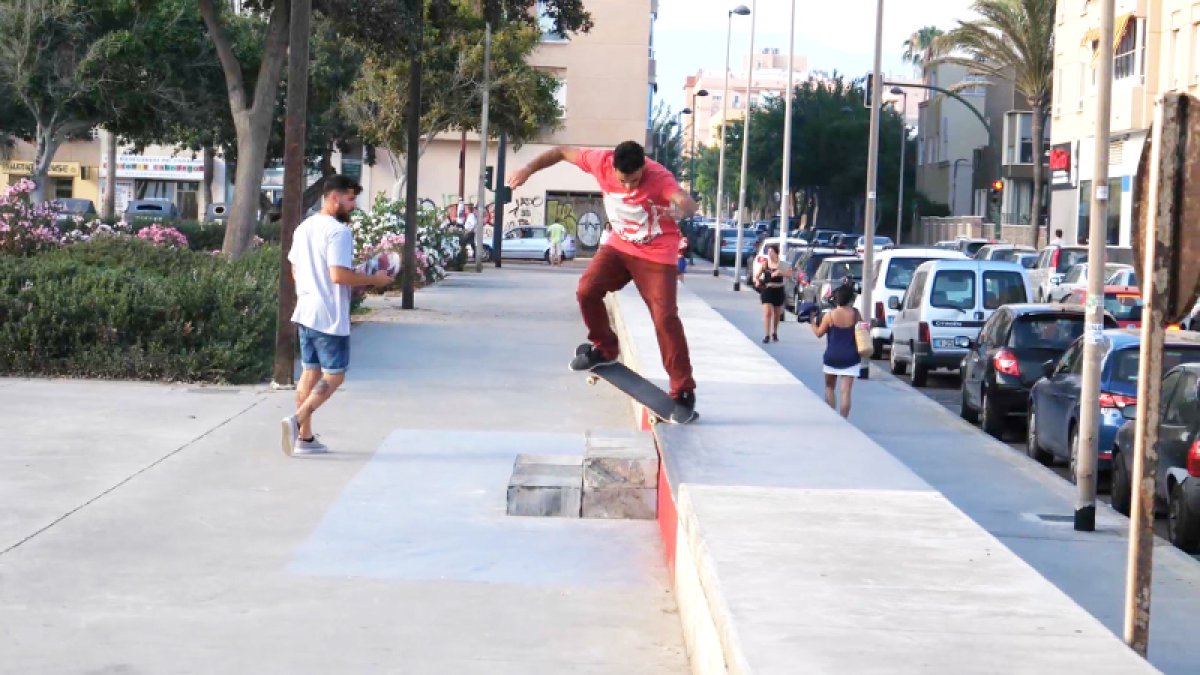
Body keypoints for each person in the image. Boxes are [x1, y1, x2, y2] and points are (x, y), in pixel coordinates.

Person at [507, 141, 699, 422]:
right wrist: (528, 169)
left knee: (664, 317)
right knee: (587, 290)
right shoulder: (599, 161)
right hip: (620, 247)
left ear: (643, 168)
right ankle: (605, 348)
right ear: (613, 168)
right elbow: (560, 151)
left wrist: (681, 210)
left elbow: (685, 200)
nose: (631, 187)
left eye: (635, 180)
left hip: (657, 254)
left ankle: (683, 390)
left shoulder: (658, 177)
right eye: (624, 181)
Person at [282, 175, 394, 456]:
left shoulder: (304, 227)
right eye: (350, 199)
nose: (353, 206)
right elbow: (338, 274)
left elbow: (294, 269)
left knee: (310, 371)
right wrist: (374, 280)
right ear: (335, 198)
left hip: (306, 309)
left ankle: (304, 440)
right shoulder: (338, 232)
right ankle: (295, 422)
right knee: (335, 375)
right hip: (328, 314)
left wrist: (312, 289)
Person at [811, 281, 861, 418]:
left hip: (832, 356)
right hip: (851, 357)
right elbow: (862, 332)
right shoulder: (856, 314)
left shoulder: (830, 316)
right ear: (851, 299)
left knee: (829, 387)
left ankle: (833, 417)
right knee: (846, 392)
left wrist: (812, 322)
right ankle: (844, 419)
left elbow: (819, 333)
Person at [754, 244, 790, 342]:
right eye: (768, 252)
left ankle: (774, 332)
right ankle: (767, 335)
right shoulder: (765, 264)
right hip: (767, 289)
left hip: (778, 290)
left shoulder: (782, 264)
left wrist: (780, 273)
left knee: (777, 314)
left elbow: (789, 275)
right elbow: (756, 276)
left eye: (771, 252)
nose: (769, 254)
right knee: (767, 313)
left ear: (776, 253)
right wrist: (757, 281)